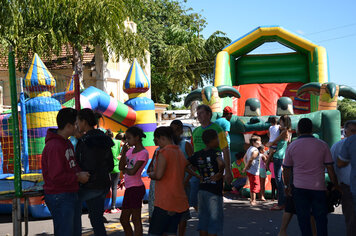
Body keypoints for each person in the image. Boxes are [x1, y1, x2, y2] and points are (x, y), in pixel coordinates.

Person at [283, 118, 339, 236]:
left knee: (303, 219)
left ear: (298, 129)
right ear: (312, 129)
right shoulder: (323, 145)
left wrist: (287, 185)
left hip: (299, 188)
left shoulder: (292, 146)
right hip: (319, 188)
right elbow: (330, 168)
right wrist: (335, 185)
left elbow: (286, 169)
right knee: (321, 218)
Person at [42, 108, 90, 236]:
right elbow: (56, 176)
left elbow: (72, 166)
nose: (79, 126)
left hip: (70, 193)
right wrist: (77, 177)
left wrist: (80, 174)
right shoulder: (54, 146)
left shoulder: (67, 142)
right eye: (77, 123)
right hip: (60, 196)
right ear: (69, 126)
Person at [75, 108, 115, 236]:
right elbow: (110, 164)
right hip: (103, 183)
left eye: (78, 121)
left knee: (71, 208)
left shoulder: (84, 141)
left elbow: (81, 164)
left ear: (84, 121)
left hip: (89, 184)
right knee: (96, 219)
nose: (77, 125)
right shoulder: (104, 138)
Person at [148, 127, 190, 236]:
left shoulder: (164, 152)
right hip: (178, 201)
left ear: (162, 138)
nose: (157, 144)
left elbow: (158, 175)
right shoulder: (179, 152)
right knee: (171, 233)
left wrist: (151, 174)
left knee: (154, 233)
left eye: (156, 140)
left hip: (165, 201)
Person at [188, 129, 225, 236]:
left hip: (202, 188)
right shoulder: (216, 152)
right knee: (214, 220)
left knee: (203, 219)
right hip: (214, 191)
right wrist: (220, 173)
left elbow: (185, 165)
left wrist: (196, 175)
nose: (218, 140)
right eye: (217, 138)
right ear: (213, 140)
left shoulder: (198, 154)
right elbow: (221, 163)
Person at [192, 105, 232, 199]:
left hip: (213, 173)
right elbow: (192, 150)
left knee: (214, 202)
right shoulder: (195, 131)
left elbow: (225, 150)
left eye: (201, 113)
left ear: (209, 114)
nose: (199, 116)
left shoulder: (218, 129)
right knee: (195, 201)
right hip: (198, 174)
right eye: (197, 114)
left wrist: (228, 171)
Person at [119, 126, 149, 236]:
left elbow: (132, 172)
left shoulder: (143, 153)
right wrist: (123, 152)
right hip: (130, 188)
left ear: (137, 138)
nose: (127, 141)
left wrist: (125, 169)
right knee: (124, 219)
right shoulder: (130, 151)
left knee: (135, 219)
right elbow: (121, 167)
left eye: (129, 138)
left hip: (136, 188)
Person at [331, 120, 356, 236]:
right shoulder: (338, 146)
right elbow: (331, 167)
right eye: (353, 131)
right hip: (347, 188)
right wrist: (336, 185)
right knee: (351, 219)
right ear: (345, 132)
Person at [170, 120, 194, 236]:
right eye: (172, 130)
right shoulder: (168, 145)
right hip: (170, 186)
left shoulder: (186, 145)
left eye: (175, 129)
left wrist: (186, 180)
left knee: (183, 214)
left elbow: (193, 165)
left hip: (183, 185)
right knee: (171, 213)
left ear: (180, 130)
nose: (173, 132)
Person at [267, 115, 292, 211]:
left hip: (278, 157)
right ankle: (283, 201)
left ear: (282, 121)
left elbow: (273, 142)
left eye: (280, 121)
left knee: (279, 180)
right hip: (282, 156)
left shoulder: (284, 132)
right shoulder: (288, 132)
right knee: (280, 180)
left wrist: (268, 143)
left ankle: (281, 203)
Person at [338, 127, 356, 215]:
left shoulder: (348, 142)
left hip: (350, 186)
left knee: (351, 220)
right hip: (349, 187)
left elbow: (339, 163)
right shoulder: (341, 144)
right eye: (353, 130)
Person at [105, 129, 121, 214]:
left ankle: (104, 207)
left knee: (106, 187)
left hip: (107, 168)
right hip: (116, 167)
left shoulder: (105, 144)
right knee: (114, 187)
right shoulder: (118, 142)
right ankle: (113, 207)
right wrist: (121, 155)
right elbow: (126, 146)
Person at [242, 135, 261, 206]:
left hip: (250, 170)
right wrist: (246, 167)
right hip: (254, 171)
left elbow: (244, 158)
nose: (260, 143)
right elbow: (250, 160)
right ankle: (253, 200)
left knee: (252, 185)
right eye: (259, 141)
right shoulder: (255, 150)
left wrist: (246, 166)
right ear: (253, 142)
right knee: (254, 185)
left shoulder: (249, 148)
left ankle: (252, 199)